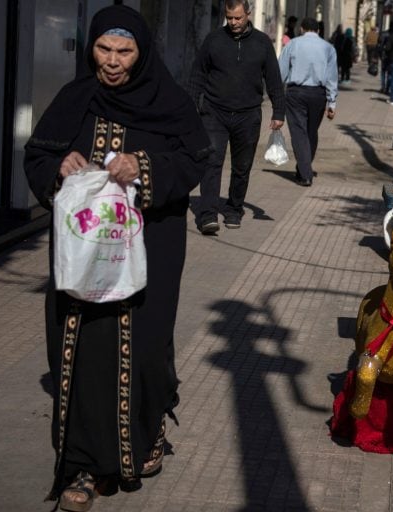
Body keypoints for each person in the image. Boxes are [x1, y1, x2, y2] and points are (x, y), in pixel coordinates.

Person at [24, 5, 211, 511]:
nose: (112, 61)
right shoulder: (74, 98)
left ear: (142, 51)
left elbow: (196, 158)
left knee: (146, 351)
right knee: (81, 351)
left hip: (152, 249)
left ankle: (143, 435)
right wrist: (60, 167)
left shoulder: (169, 102)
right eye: (103, 49)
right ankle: (81, 466)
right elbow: (37, 156)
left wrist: (144, 166)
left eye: (124, 51)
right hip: (84, 254)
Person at [188, 0, 285, 234]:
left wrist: (278, 111)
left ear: (248, 14)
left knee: (242, 167)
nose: (233, 23)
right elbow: (197, 74)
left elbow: (273, 79)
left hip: (248, 114)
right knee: (211, 163)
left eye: (238, 18)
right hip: (214, 112)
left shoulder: (262, 43)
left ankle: (233, 209)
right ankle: (208, 215)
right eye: (229, 18)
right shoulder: (213, 40)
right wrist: (192, 107)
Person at [278, 17, 338, 187]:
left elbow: (281, 70)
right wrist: (332, 103)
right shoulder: (328, 48)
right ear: (318, 30)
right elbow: (332, 77)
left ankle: (305, 174)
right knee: (311, 132)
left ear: (302, 29)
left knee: (299, 132)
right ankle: (304, 168)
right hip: (319, 95)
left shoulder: (292, 44)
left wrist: (275, 93)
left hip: (296, 93)